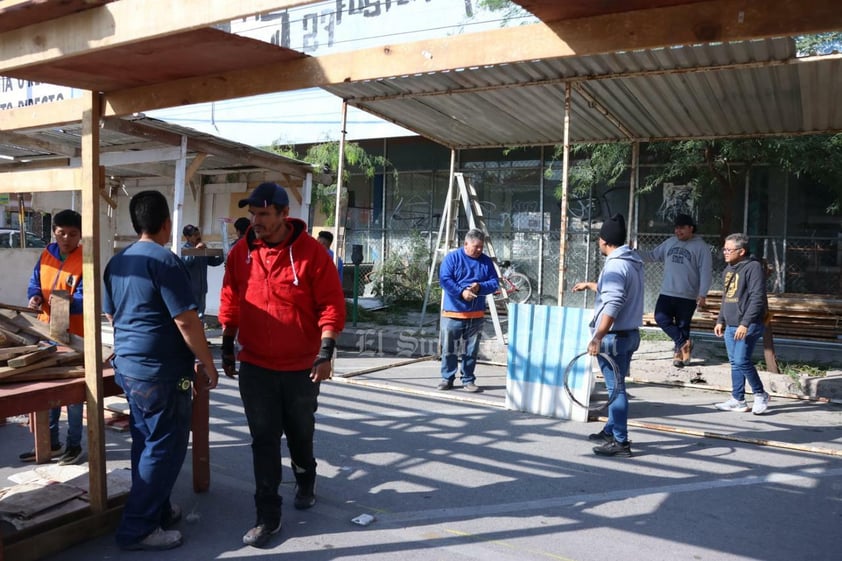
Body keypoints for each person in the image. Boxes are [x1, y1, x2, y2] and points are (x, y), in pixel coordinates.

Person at [218, 182, 346, 548]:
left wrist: (325, 350)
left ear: (283, 215)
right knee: (263, 440)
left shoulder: (312, 255)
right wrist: (228, 343)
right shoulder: (241, 253)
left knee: (300, 433)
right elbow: (231, 297)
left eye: (262, 214)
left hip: (300, 367)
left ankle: (306, 478)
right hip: (256, 364)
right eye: (252, 214)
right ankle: (267, 514)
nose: (255, 221)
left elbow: (331, 305)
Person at [104, 190, 219, 551]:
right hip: (161, 372)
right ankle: (137, 529)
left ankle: (157, 510)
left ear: (135, 222)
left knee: (146, 440)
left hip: (129, 366)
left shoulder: (117, 262)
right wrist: (207, 362)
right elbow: (186, 322)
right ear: (167, 224)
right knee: (163, 448)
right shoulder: (165, 261)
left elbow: (112, 315)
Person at [572, 213, 644, 458]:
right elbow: (617, 290)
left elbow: (613, 303)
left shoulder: (615, 264)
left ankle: (621, 442)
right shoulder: (632, 261)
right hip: (629, 333)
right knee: (618, 386)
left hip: (614, 337)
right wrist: (591, 285)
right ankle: (611, 430)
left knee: (616, 390)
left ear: (603, 241)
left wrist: (598, 336)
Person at [20, 209, 85, 466]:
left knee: (75, 395)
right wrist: (35, 296)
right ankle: (51, 444)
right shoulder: (46, 254)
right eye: (61, 233)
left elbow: (83, 297)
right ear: (54, 232)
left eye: (72, 234)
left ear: (80, 235)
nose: (67, 239)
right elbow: (35, 282)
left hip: (75, 336)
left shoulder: (85, 259)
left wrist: (61, 303)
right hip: (46, 332)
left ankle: (74, 446)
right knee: (50, 392)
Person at [639, 213, 712, 367]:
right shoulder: (670, 242)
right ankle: (684, 343)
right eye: (676, 229)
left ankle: (679, 355)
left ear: (691, 228)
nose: (678, 232)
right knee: (660, 318)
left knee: (682, 325)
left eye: (682, 228)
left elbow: (706, 272)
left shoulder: (701, 247)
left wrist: (703, 294)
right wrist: (633, 253)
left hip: (688, 295)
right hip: (667, 292)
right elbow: (653, 256)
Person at [713, 233, 771, 415]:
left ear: (742, 251)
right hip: (730, 324)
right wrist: (720, 320)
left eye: (729, 250)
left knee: (741, 359)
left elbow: (757, 298)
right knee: (734, 362)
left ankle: (761, 394)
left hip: (748, 324)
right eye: (724, 249)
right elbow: (726, 297)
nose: (725, 252)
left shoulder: (752, 267)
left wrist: (745, 323)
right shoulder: (728, 269)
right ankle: (738, 399)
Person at [437, 228, 499, 393]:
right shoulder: (452, 258)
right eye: (476, 246)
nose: (479, 250)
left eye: (481, 247)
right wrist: (461, 292)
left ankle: (468, 379)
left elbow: (494, 283)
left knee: (470, 351)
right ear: (466, 244)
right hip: (453, 313)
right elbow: (444, 279)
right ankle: (447, 378)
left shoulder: (486, 262)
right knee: (449, 349)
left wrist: (479, 287)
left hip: (476, 314)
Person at [180, 224, 224, 324]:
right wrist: (196, 250)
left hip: (202, 289)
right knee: (191, 317)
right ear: (187, 237)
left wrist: (224, 256)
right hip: (190, 290)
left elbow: (213, 262)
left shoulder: (203, 247)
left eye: (198, 234)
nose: (197, 236)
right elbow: (187, 262)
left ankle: (201, 338)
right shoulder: (184, 250)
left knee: (201, 316)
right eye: (194, 235)